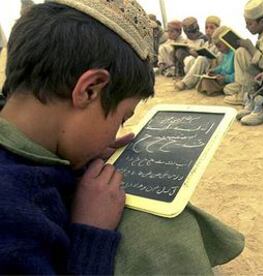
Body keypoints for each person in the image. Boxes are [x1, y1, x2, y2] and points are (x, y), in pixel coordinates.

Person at [0, 0, 244, 274]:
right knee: (157, 230)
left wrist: (79, 157)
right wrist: (91, 233)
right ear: (90, 89)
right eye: (121, 118)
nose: (115, 133)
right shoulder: (11, 216)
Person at [175, 15, 221, 91]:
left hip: (214, 69)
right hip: (204, 68)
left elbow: (219, 59)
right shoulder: (207, 43)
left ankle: (184, 83)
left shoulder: (220, 43)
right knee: (189, 59)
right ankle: (194, 81)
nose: (208, 30)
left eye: (211, 28)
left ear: (218, 29)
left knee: (201, 59)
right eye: (206, 27)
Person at [196, 25, 235, 96]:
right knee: (205, 80)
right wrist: (214, 70)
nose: (218, 49)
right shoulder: (226, 53)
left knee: (227, 88)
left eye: (219, 46)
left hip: (230, 80)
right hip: (222, 77)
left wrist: (226, 78)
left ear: (226, 41)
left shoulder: (236, 53)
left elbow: (239, 75)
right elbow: (222, 66)